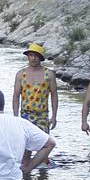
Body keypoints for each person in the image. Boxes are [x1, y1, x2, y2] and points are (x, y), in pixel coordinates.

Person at [12, 42, 58, 170]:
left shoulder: (49, 74)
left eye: (36, 56)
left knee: (45, 146)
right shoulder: (21, 74)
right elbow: (16, 96)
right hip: (26, 115)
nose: (33, 58)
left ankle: (42, 179)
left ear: (41, 58)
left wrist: (54, 117)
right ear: (27, 56)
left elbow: (54, 95)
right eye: (31, 55)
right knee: (26, 147)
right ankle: (26, 175)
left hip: (43, 115)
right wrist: (15, 117)